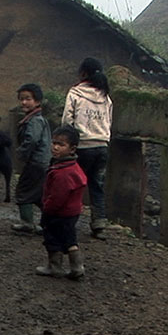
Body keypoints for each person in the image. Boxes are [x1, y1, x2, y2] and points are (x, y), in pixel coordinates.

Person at [61, 57, 114, 240]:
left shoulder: (75, 93)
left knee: (75, 185)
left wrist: (68, 143)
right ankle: (99, 223)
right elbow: (109, 122)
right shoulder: (106, 97)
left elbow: (67, 121)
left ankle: (69, 222)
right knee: (96, 186)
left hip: (82, 147)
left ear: (83, 73)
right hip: (102, 147)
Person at [36, 125, 88, 279]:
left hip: (59, 212)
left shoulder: (62, 172)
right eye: (54, 143)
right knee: (70, 238)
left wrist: (47, 210)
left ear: (72, 149)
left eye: (61, 145)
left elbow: (57, 196)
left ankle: (55, 266)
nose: (55, 147)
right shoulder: (73, 167)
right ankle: (77, 266)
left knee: (52, 238)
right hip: (72, 212)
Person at [11, 83, 52, 234]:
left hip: (36, 163)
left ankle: (27, 222)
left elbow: (32, 140)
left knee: (23, 191)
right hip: (42, 163)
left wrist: (21, 153)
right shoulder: (36, 119)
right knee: (39, 195)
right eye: (21, 99)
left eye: (28, 99)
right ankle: (49, 224)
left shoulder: (34, 121)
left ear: (38, 101)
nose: (24, 102)